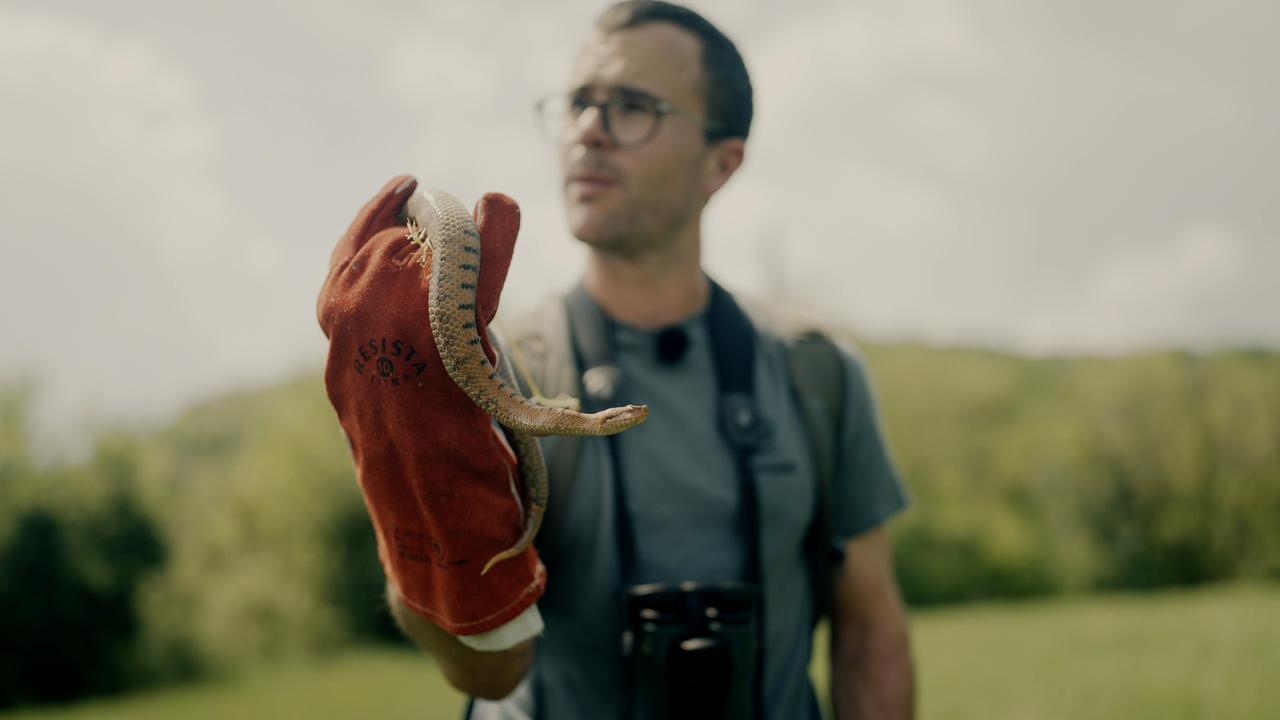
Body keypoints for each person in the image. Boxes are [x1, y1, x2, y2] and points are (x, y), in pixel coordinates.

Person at [326, 2, 913, 718]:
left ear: (721, 162)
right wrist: (408, 511)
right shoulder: (497, 365)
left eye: (632, 107)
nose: (588, 132)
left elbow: (871, 624)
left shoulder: (818, 376)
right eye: (579, 103)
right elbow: (487, 672)